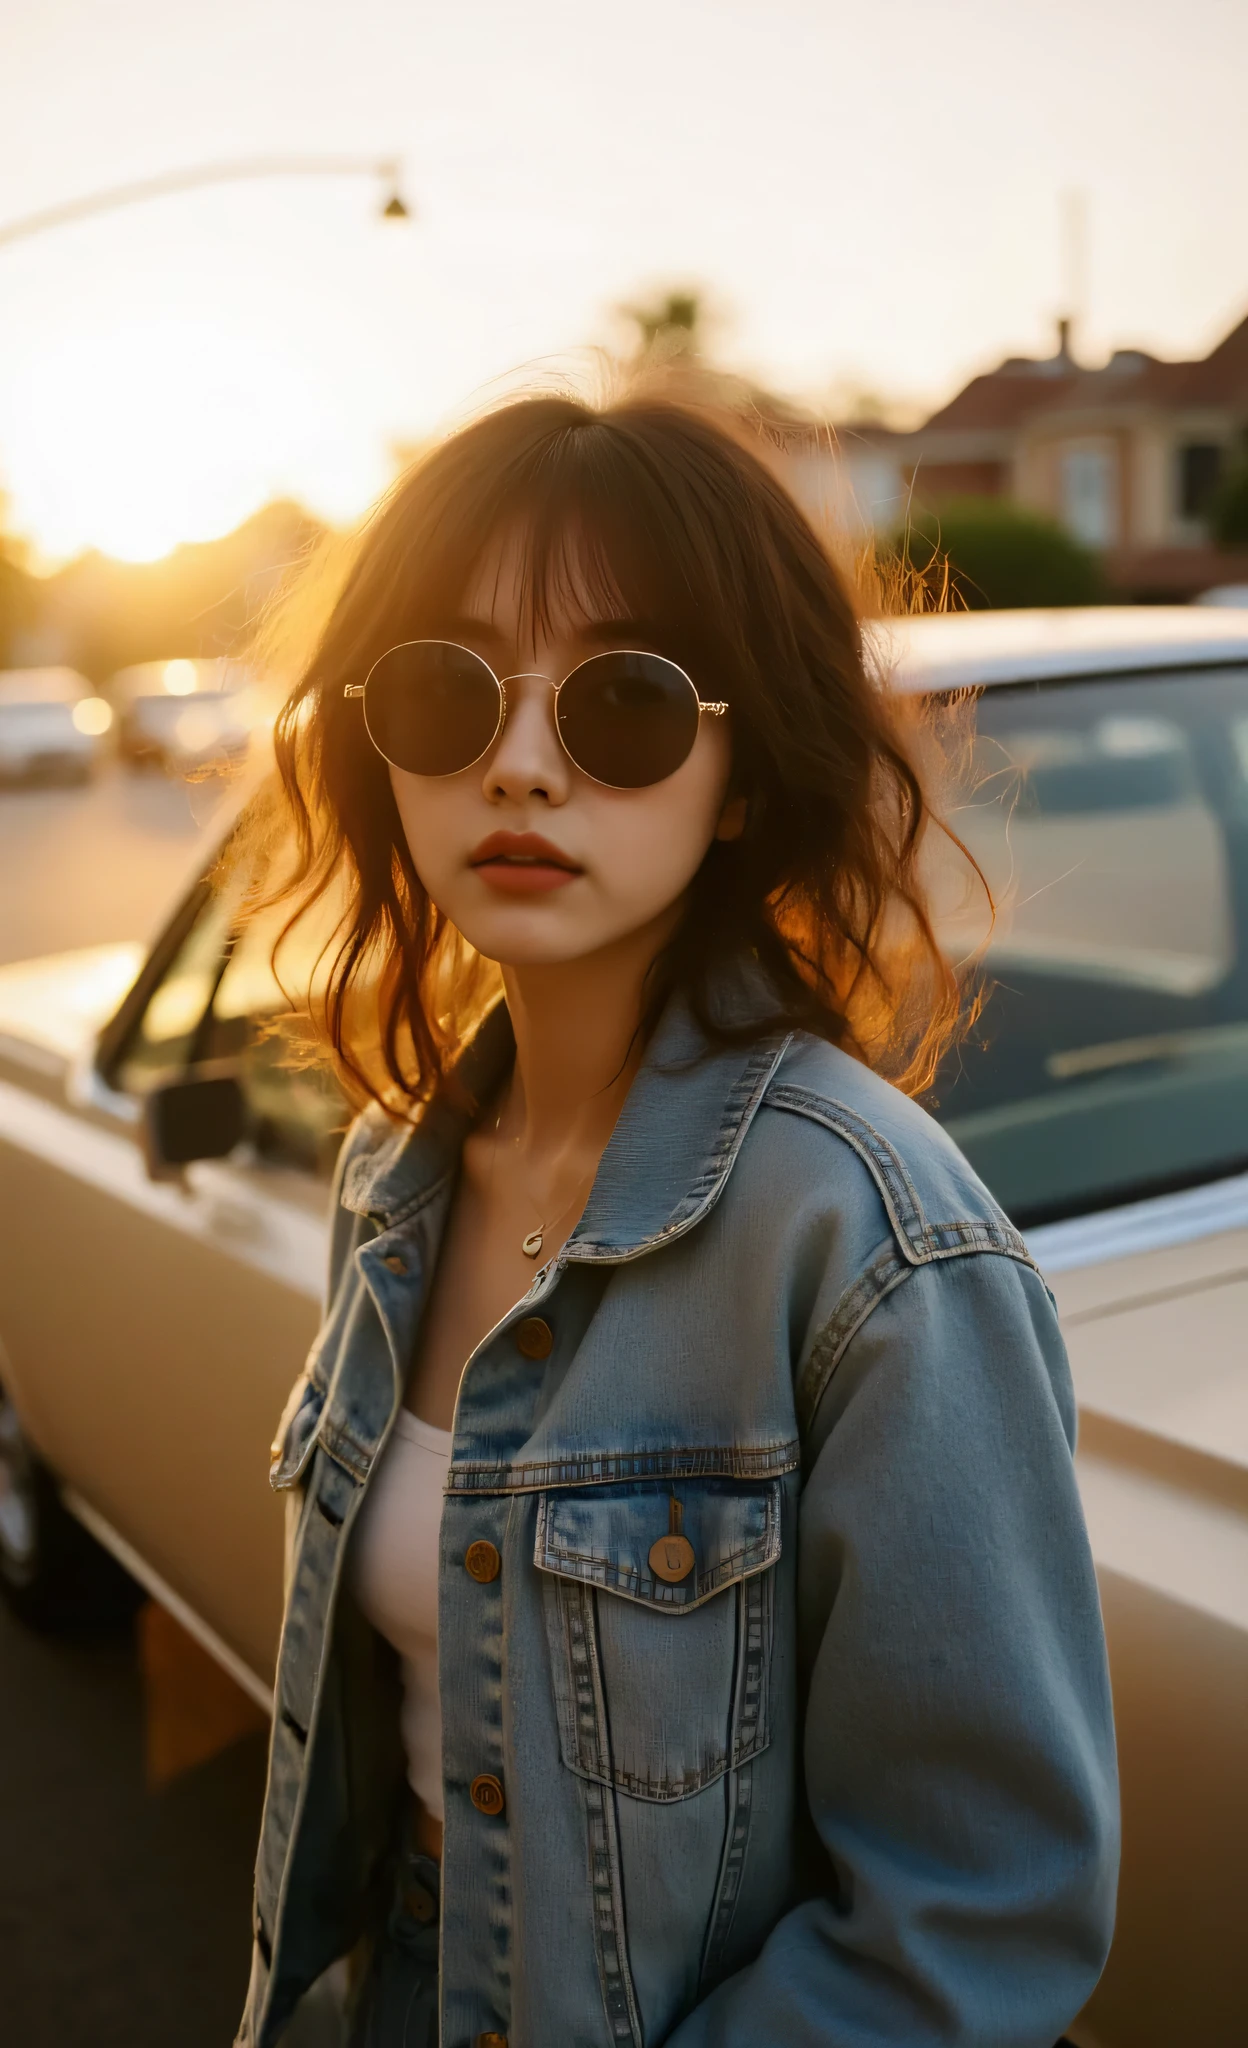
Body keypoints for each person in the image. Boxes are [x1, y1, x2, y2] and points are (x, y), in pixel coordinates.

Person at [236, 392, 1118, 2048]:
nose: (517, 762)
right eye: (448, 687)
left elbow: (974, 1921)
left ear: (734, 777)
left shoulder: (869, 1243)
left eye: (624, 704)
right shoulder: (396, 1179)